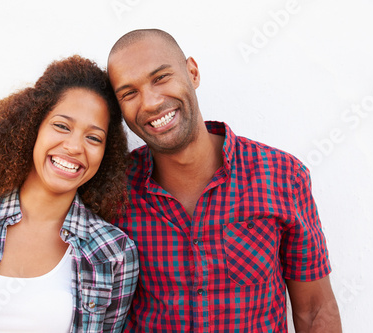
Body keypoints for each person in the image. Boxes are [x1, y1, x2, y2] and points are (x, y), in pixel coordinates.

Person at [107, 29, 342, 332]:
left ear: (192, 72)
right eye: (129, 93)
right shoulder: (113, 191)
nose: (150, 102)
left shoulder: (282, 176)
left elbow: (315, 309)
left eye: (161, 78)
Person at [0, 55, 138, 333]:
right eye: (62, 126)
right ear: (33, 127)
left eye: (93, 138)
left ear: (106, 153)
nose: (75, 147)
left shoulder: (113, 253)